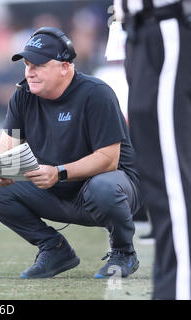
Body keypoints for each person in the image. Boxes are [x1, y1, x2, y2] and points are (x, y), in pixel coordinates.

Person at [0, 27, 142, 280]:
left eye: (39, 65)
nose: (30, 72)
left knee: (104, 187)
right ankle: (54, 249)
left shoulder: (96, 93)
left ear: (65, 67)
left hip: (106, 190)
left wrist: (59, 173)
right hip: (54, 188)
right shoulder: (23, 95)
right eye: (27, 65)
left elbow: (109, 160)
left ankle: (123, 252)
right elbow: (5, 147)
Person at [114, 0, 191, 300]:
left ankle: (179, 291)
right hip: (141, 31)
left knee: (170, 177)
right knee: (160, 178)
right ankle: (171, 287)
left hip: (167, 24)